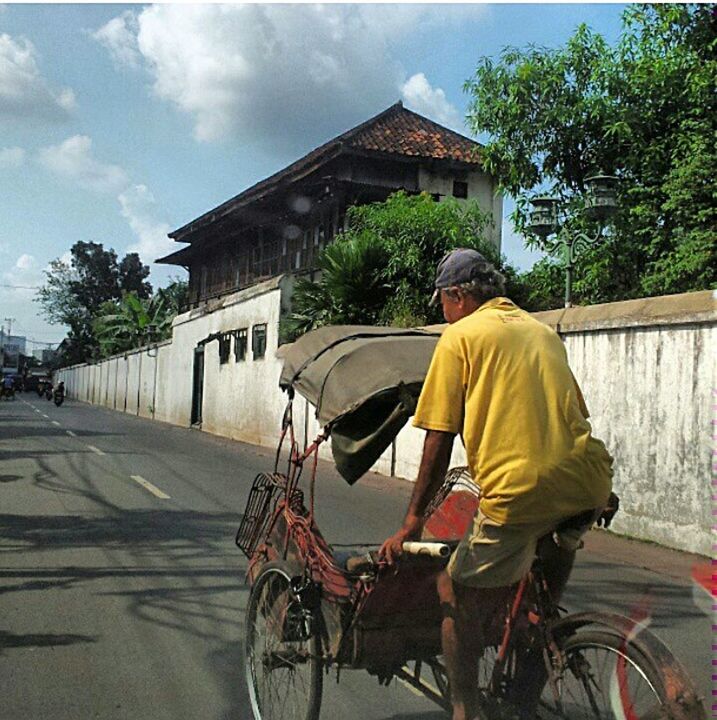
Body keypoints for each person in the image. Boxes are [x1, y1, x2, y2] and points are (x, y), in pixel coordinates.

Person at [379, 248, 615, 720]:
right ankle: (528, 682)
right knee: (540, 599)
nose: (443, 313)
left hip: (519, 492)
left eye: (442, 303)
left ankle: (465, 710)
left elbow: (439, 440)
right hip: (589, 479)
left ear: (457, 296)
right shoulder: (542, 333)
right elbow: (573, 416)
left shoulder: (460, 337)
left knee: (454, 590)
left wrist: (410, 523)